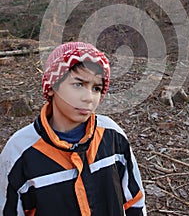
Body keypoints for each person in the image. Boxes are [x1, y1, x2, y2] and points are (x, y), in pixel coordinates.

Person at [0, 42, 146, 215]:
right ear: (53, 85)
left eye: (96, 88)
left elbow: (134, 201)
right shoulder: (19, 152)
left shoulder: (112, 136)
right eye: (78, 84)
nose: (88, 98)